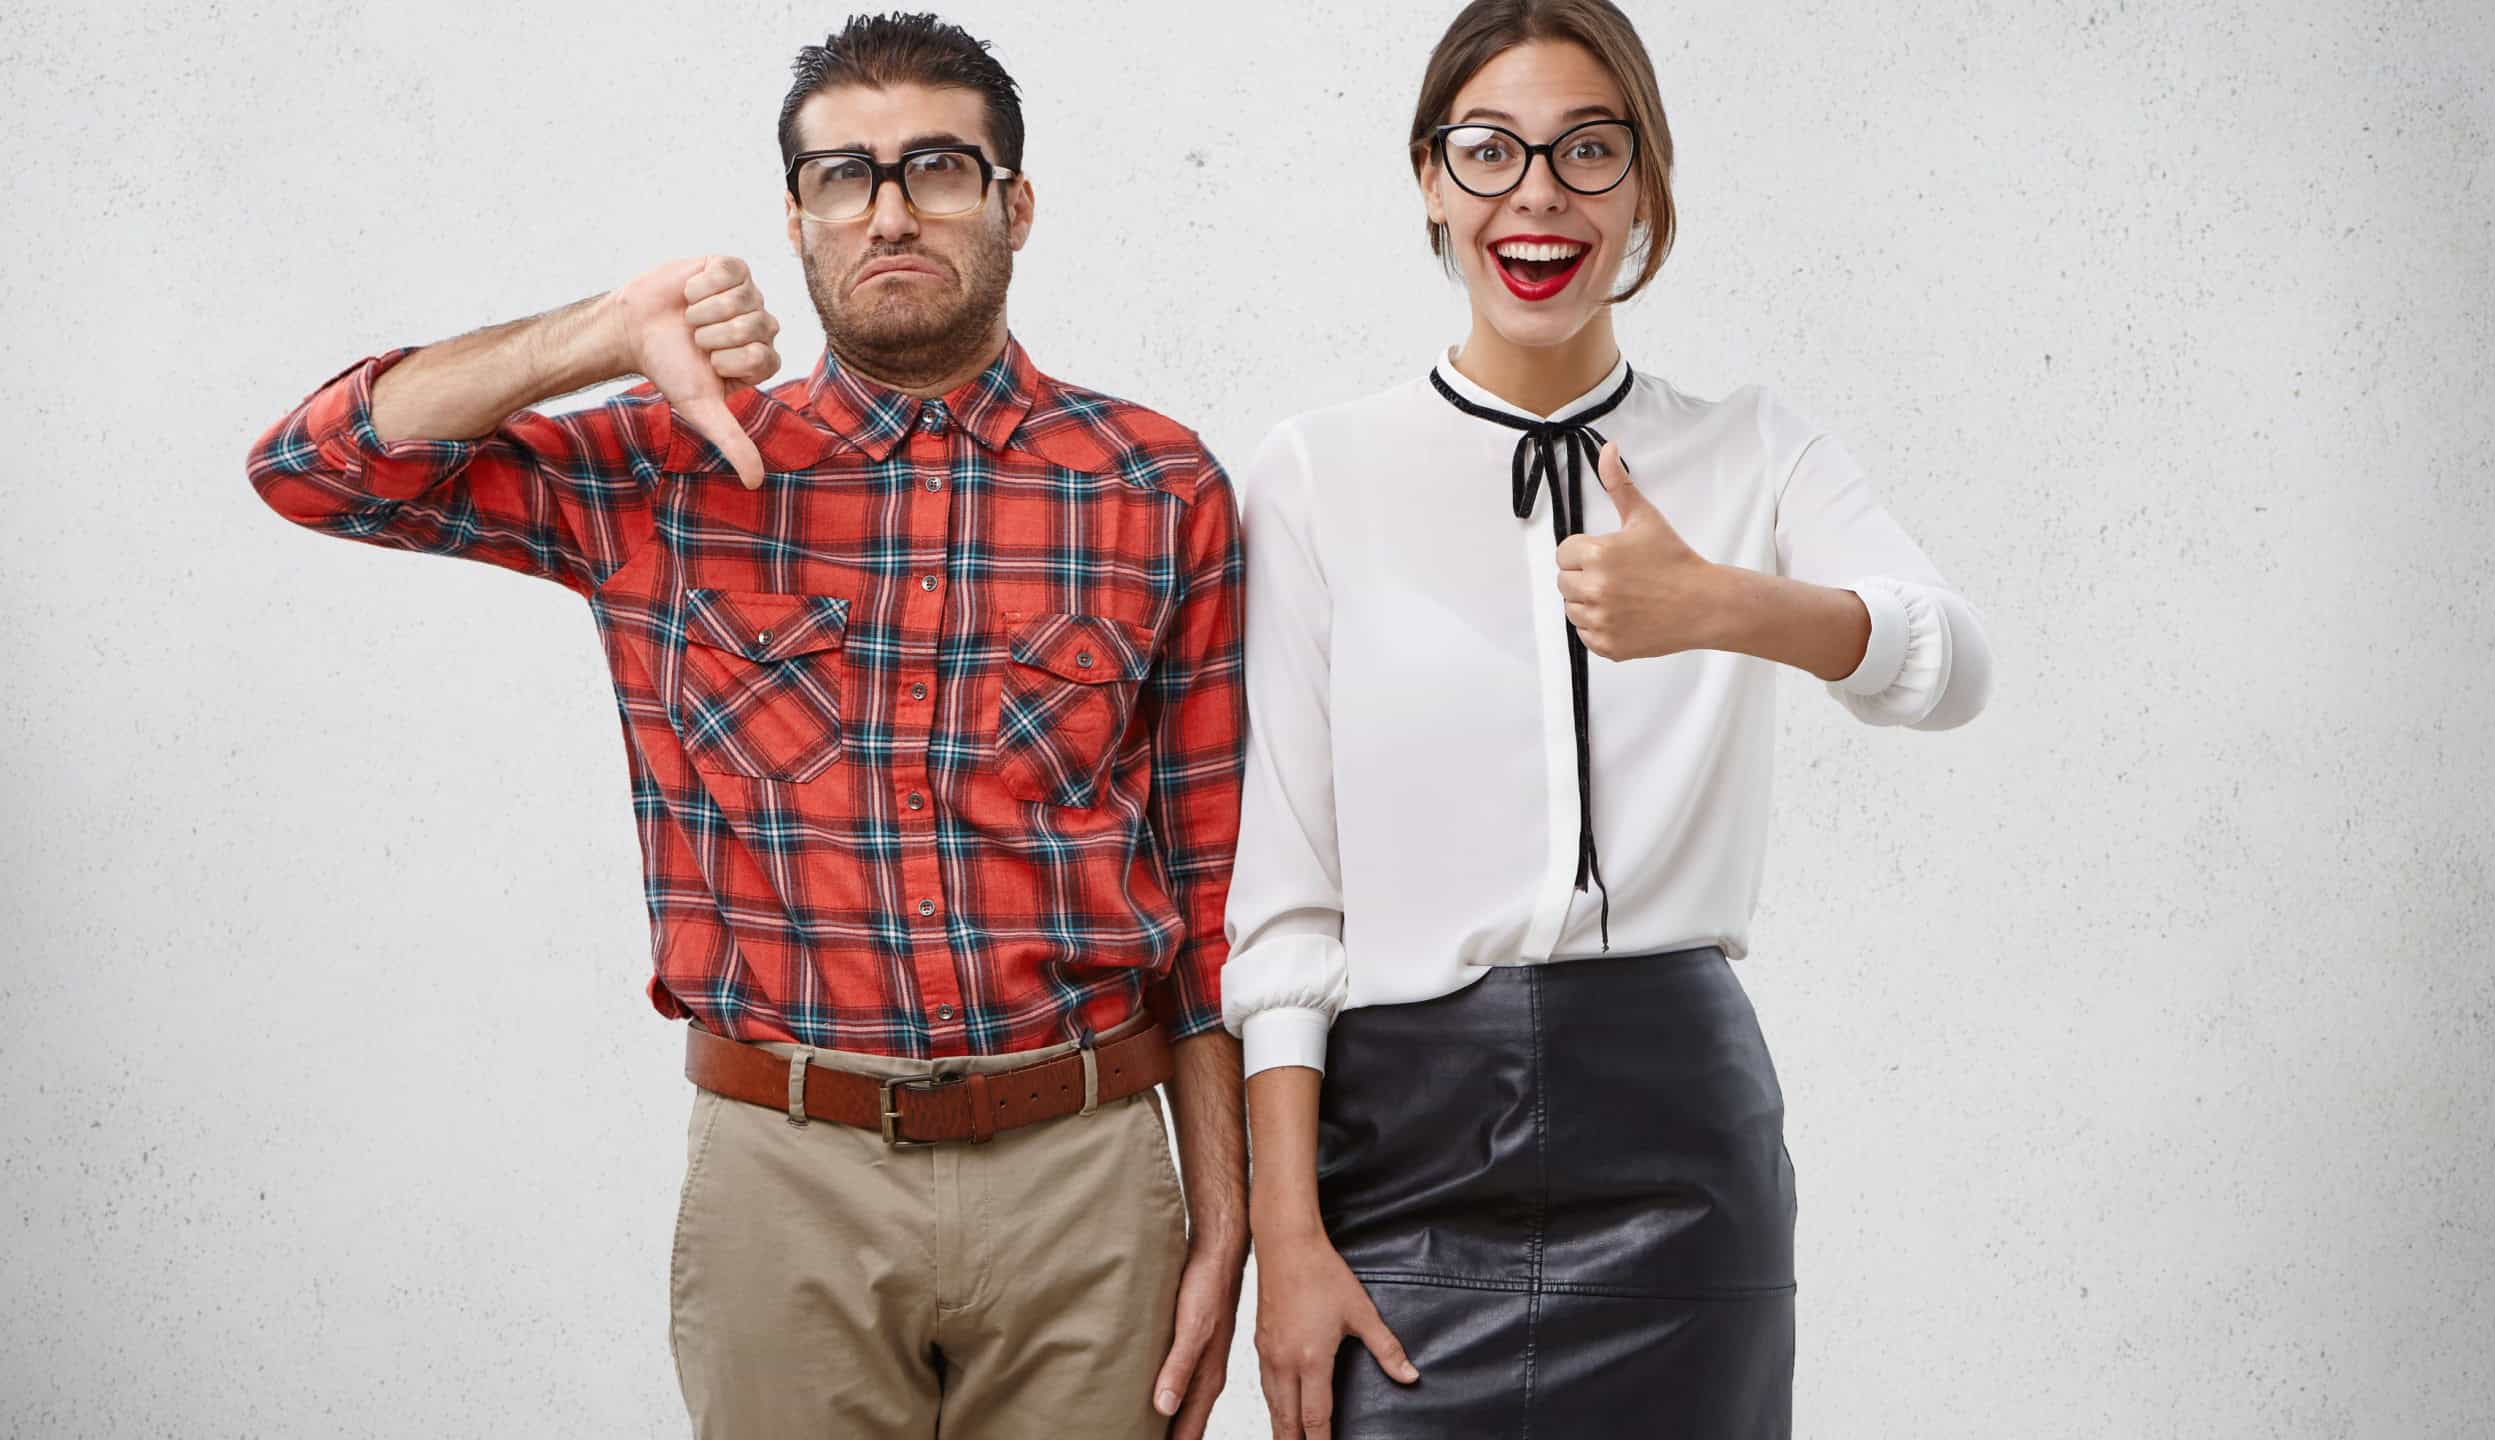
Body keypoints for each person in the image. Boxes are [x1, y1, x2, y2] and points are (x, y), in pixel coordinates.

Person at [245, 14, 1247, 1439]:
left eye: (938, 167)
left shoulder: (1154, 485)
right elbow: (313, 467)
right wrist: (598, 334)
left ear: (1016, 203)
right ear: (796, 218)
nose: (889, 209)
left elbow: (1212, 893)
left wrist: (1228, 1222)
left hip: (1084, 1178)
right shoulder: (667, 470)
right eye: (844, 175)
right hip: (787, 1174)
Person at [1220, 1, 1994, 1435]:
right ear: (1430, 179)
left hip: (1678, 1150)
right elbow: (1285, 910)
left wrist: (1719, 605)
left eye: (1588, 151)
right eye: (1491, 150)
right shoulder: (1317, 472)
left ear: (1645, 185)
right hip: (1400, 1149)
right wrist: (1288, 1238)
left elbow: (1950, 663)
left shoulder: (1747, 445)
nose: (1538, 194)